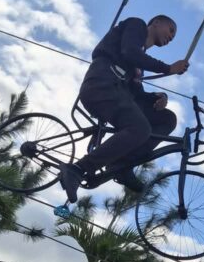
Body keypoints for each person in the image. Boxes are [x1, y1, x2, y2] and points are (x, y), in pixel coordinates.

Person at [59, 14, 188, 203]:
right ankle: (78, 168)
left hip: (116, 93)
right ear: (156, 23)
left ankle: (122, 164)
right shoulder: (136, 25)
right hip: (101, 86)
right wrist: (168, 68)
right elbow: (130, 52)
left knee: (167, 119)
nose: (171, 37)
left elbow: (136, 94)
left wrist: (158, 97)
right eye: (171, 30)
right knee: (139, 128)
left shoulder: (138, 66)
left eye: (173, 36)